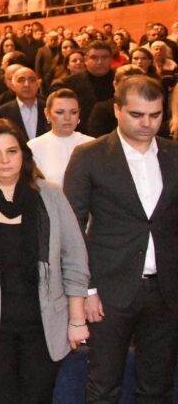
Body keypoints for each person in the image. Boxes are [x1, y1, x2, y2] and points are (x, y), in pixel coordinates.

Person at [0, 119, 89, 403]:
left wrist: (77, 319)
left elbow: (74, 258)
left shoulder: (50, 195)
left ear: (24, 154)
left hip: (45, 323)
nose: (5, 160)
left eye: (11, 151)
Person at [63, 75, 178, 403]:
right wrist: (86, 290)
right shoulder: (90, 156)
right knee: (103, 387)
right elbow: (73, 228)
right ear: (117, 110)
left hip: (166, 292)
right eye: (137, 115)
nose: (147, 123)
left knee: (157, 388)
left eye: (155, 115)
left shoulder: (174, 154)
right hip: (109, 290)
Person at [27, 89, 93, 185]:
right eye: (60, 112)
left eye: (73, 112)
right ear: (47, 113)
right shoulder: (33, 147)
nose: (67, 118)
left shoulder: (92, 144)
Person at [0, 67, 48, 141]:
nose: (27, 84)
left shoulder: (49, 108)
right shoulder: (1, 113)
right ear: (13, 86)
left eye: (32, 80)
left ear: (38, 84)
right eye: (21, 80)